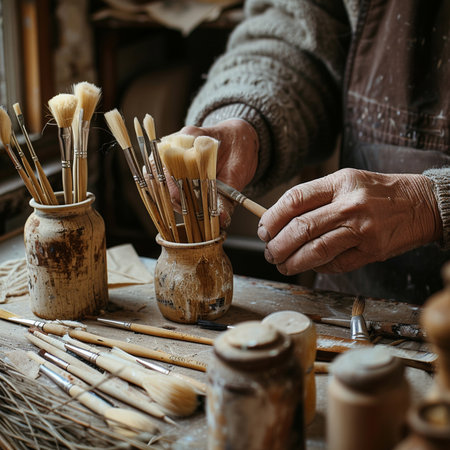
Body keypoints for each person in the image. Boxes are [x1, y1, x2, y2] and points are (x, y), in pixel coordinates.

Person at [180, 0, 450, 304]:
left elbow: (430, 204)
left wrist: (429, 204)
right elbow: (297, 32)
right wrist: (246, 119)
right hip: (361, 300)